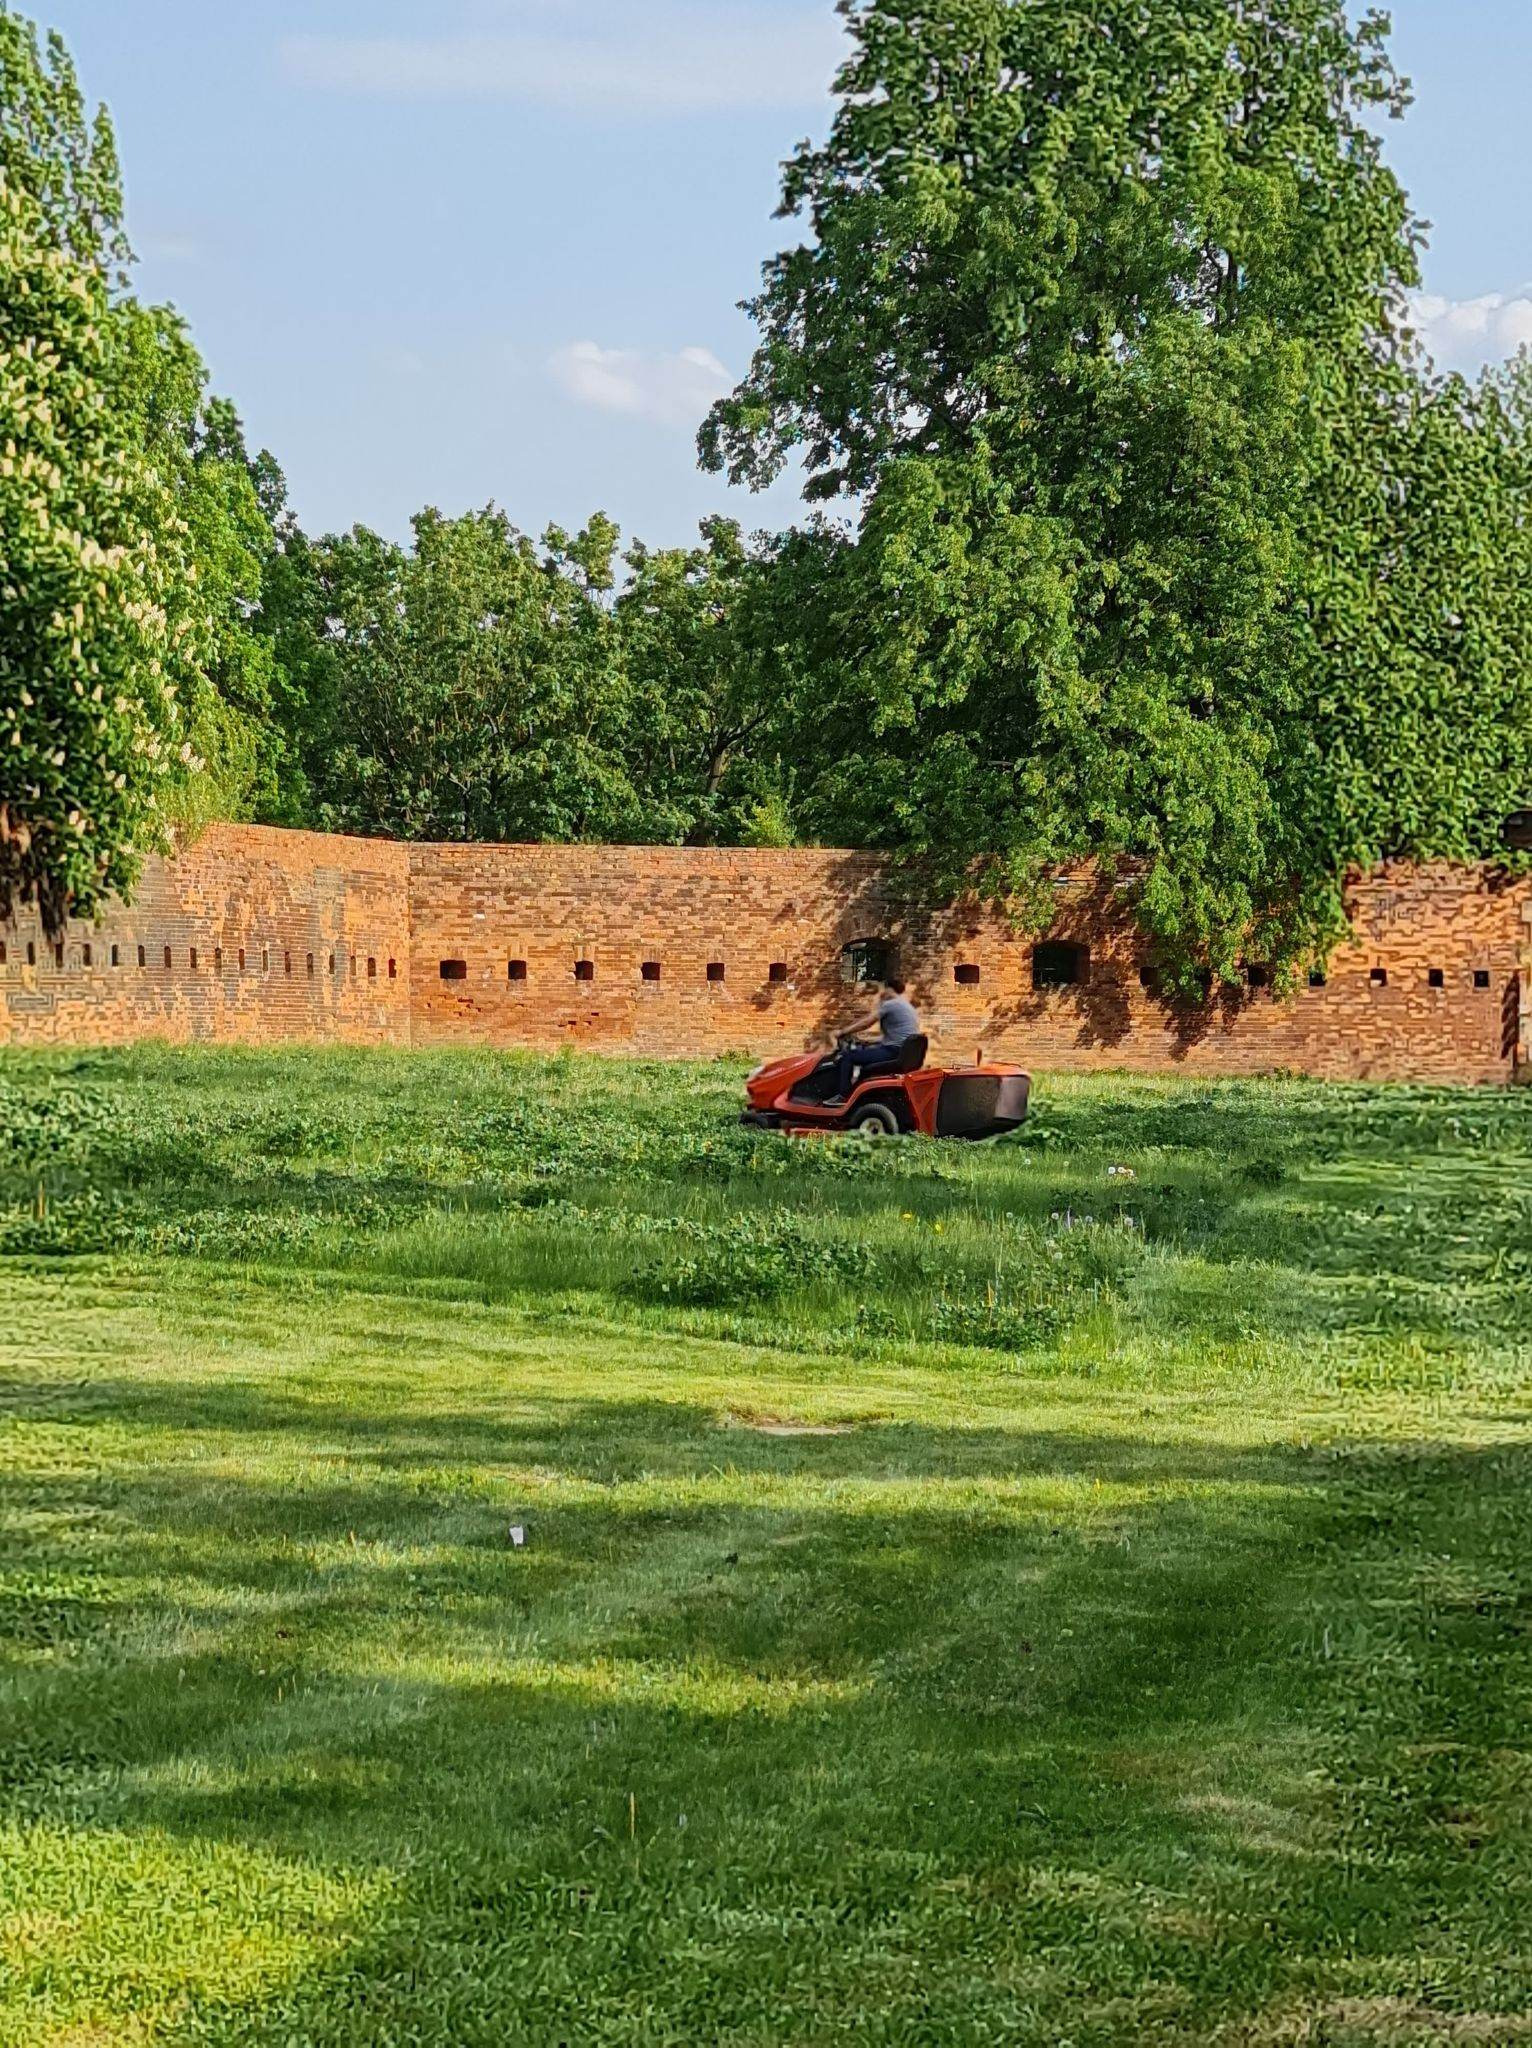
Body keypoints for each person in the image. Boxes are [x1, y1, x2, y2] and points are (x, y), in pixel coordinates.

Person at [827, 978, 921, 1103]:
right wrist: (868, 1041)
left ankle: (843, 1096)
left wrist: (843, 1032)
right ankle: (859, 1097)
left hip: (893, 1051)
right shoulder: (907, 1006)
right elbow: (897, 1035)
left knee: (847, 1057)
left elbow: (867, 1022)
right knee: (865, 1058)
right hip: (902, 1052)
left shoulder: (890, 1004)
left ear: (888, 989)